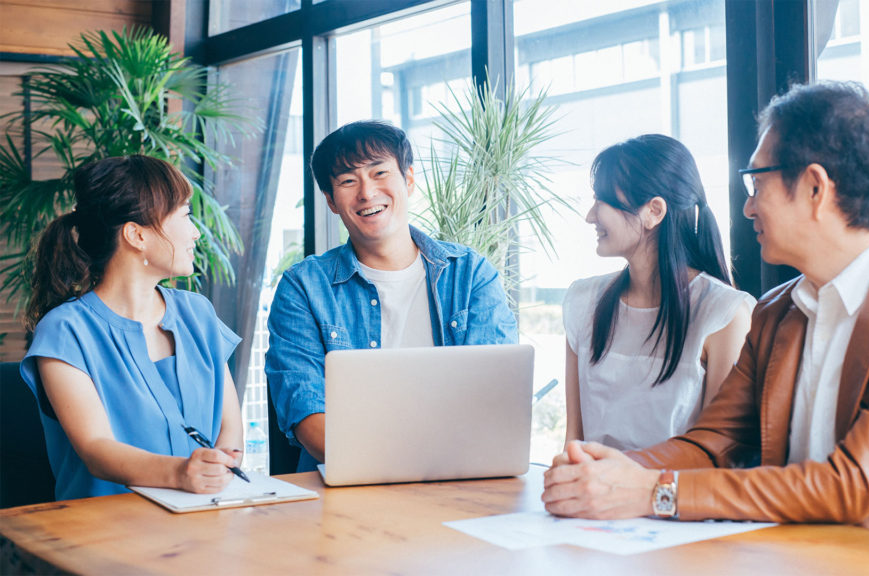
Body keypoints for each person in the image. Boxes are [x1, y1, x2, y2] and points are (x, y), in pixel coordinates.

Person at [541, 82, 869, 550]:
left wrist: (653, 491)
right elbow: (714, 443)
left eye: (757, 182)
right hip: (812, 557)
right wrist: (611, 472)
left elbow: (851, 484)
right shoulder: (776, 313)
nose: (748, 206)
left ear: (815, 187)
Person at [266, 120, 518, 472]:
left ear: (409, 180)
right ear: (331, 201)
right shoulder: (304, 287)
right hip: (347, 488)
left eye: (379, 172)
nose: (367, 193)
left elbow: (492, 395)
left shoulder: (470, 274)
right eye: (348, 181)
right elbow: (305, 410)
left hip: (458, 477)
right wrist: (403, 465)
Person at [20, 155, 243, 500]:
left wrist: (219, 469)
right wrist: (181, 474)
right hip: (105, 531)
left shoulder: (198, 314)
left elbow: (230, 427)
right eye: (184, 215)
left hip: (205, 517)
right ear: (136, 235)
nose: (196, 231)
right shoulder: (64, 331)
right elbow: (96, 449)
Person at [562, 134, 753, 451]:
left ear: (654, 211)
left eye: (602, 201)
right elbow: (573, 441)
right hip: (589, 495)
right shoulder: (583, 302)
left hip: (673, 498)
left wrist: (634, 489)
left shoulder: (723, 313)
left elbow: (717, 457)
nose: (590, 216)